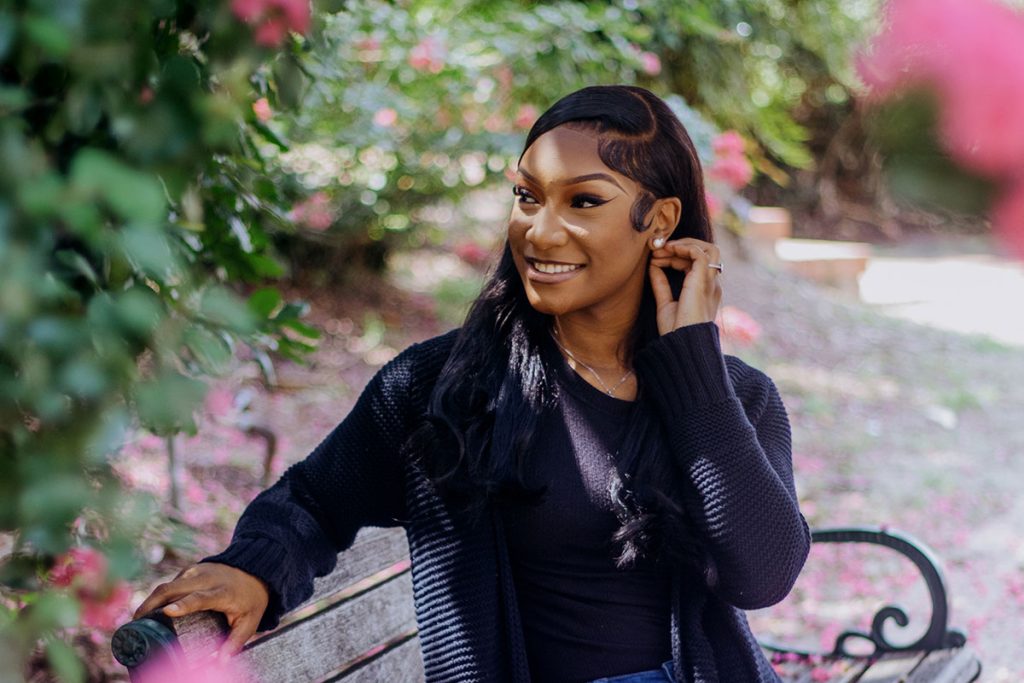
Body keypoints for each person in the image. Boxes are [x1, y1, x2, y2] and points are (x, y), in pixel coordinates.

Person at [134, 85, 810, 683]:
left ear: (659, 221)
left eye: (583, 200)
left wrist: (693, 363)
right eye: (527, 195)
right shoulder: (442, 386)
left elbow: (763, 574)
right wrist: (254, 569)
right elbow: (315, 497)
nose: (540, 231)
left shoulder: (735, 400)